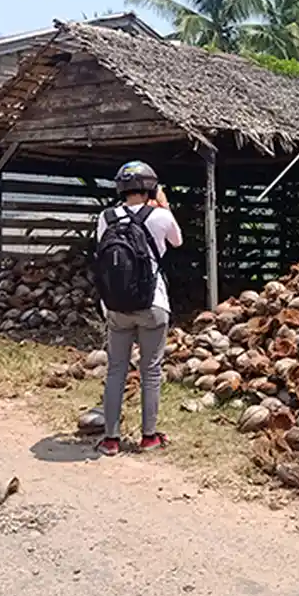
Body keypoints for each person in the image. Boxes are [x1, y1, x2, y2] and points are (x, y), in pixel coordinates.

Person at [92, 161, 182, 456]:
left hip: (116, 306)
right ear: (150, 186)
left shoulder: (106, 217)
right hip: (152, 303)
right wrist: (165, 207)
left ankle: (111, 439)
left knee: (116, 369)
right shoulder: (160, 216)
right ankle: (149, 436)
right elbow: (177, 243)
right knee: (151, 371)